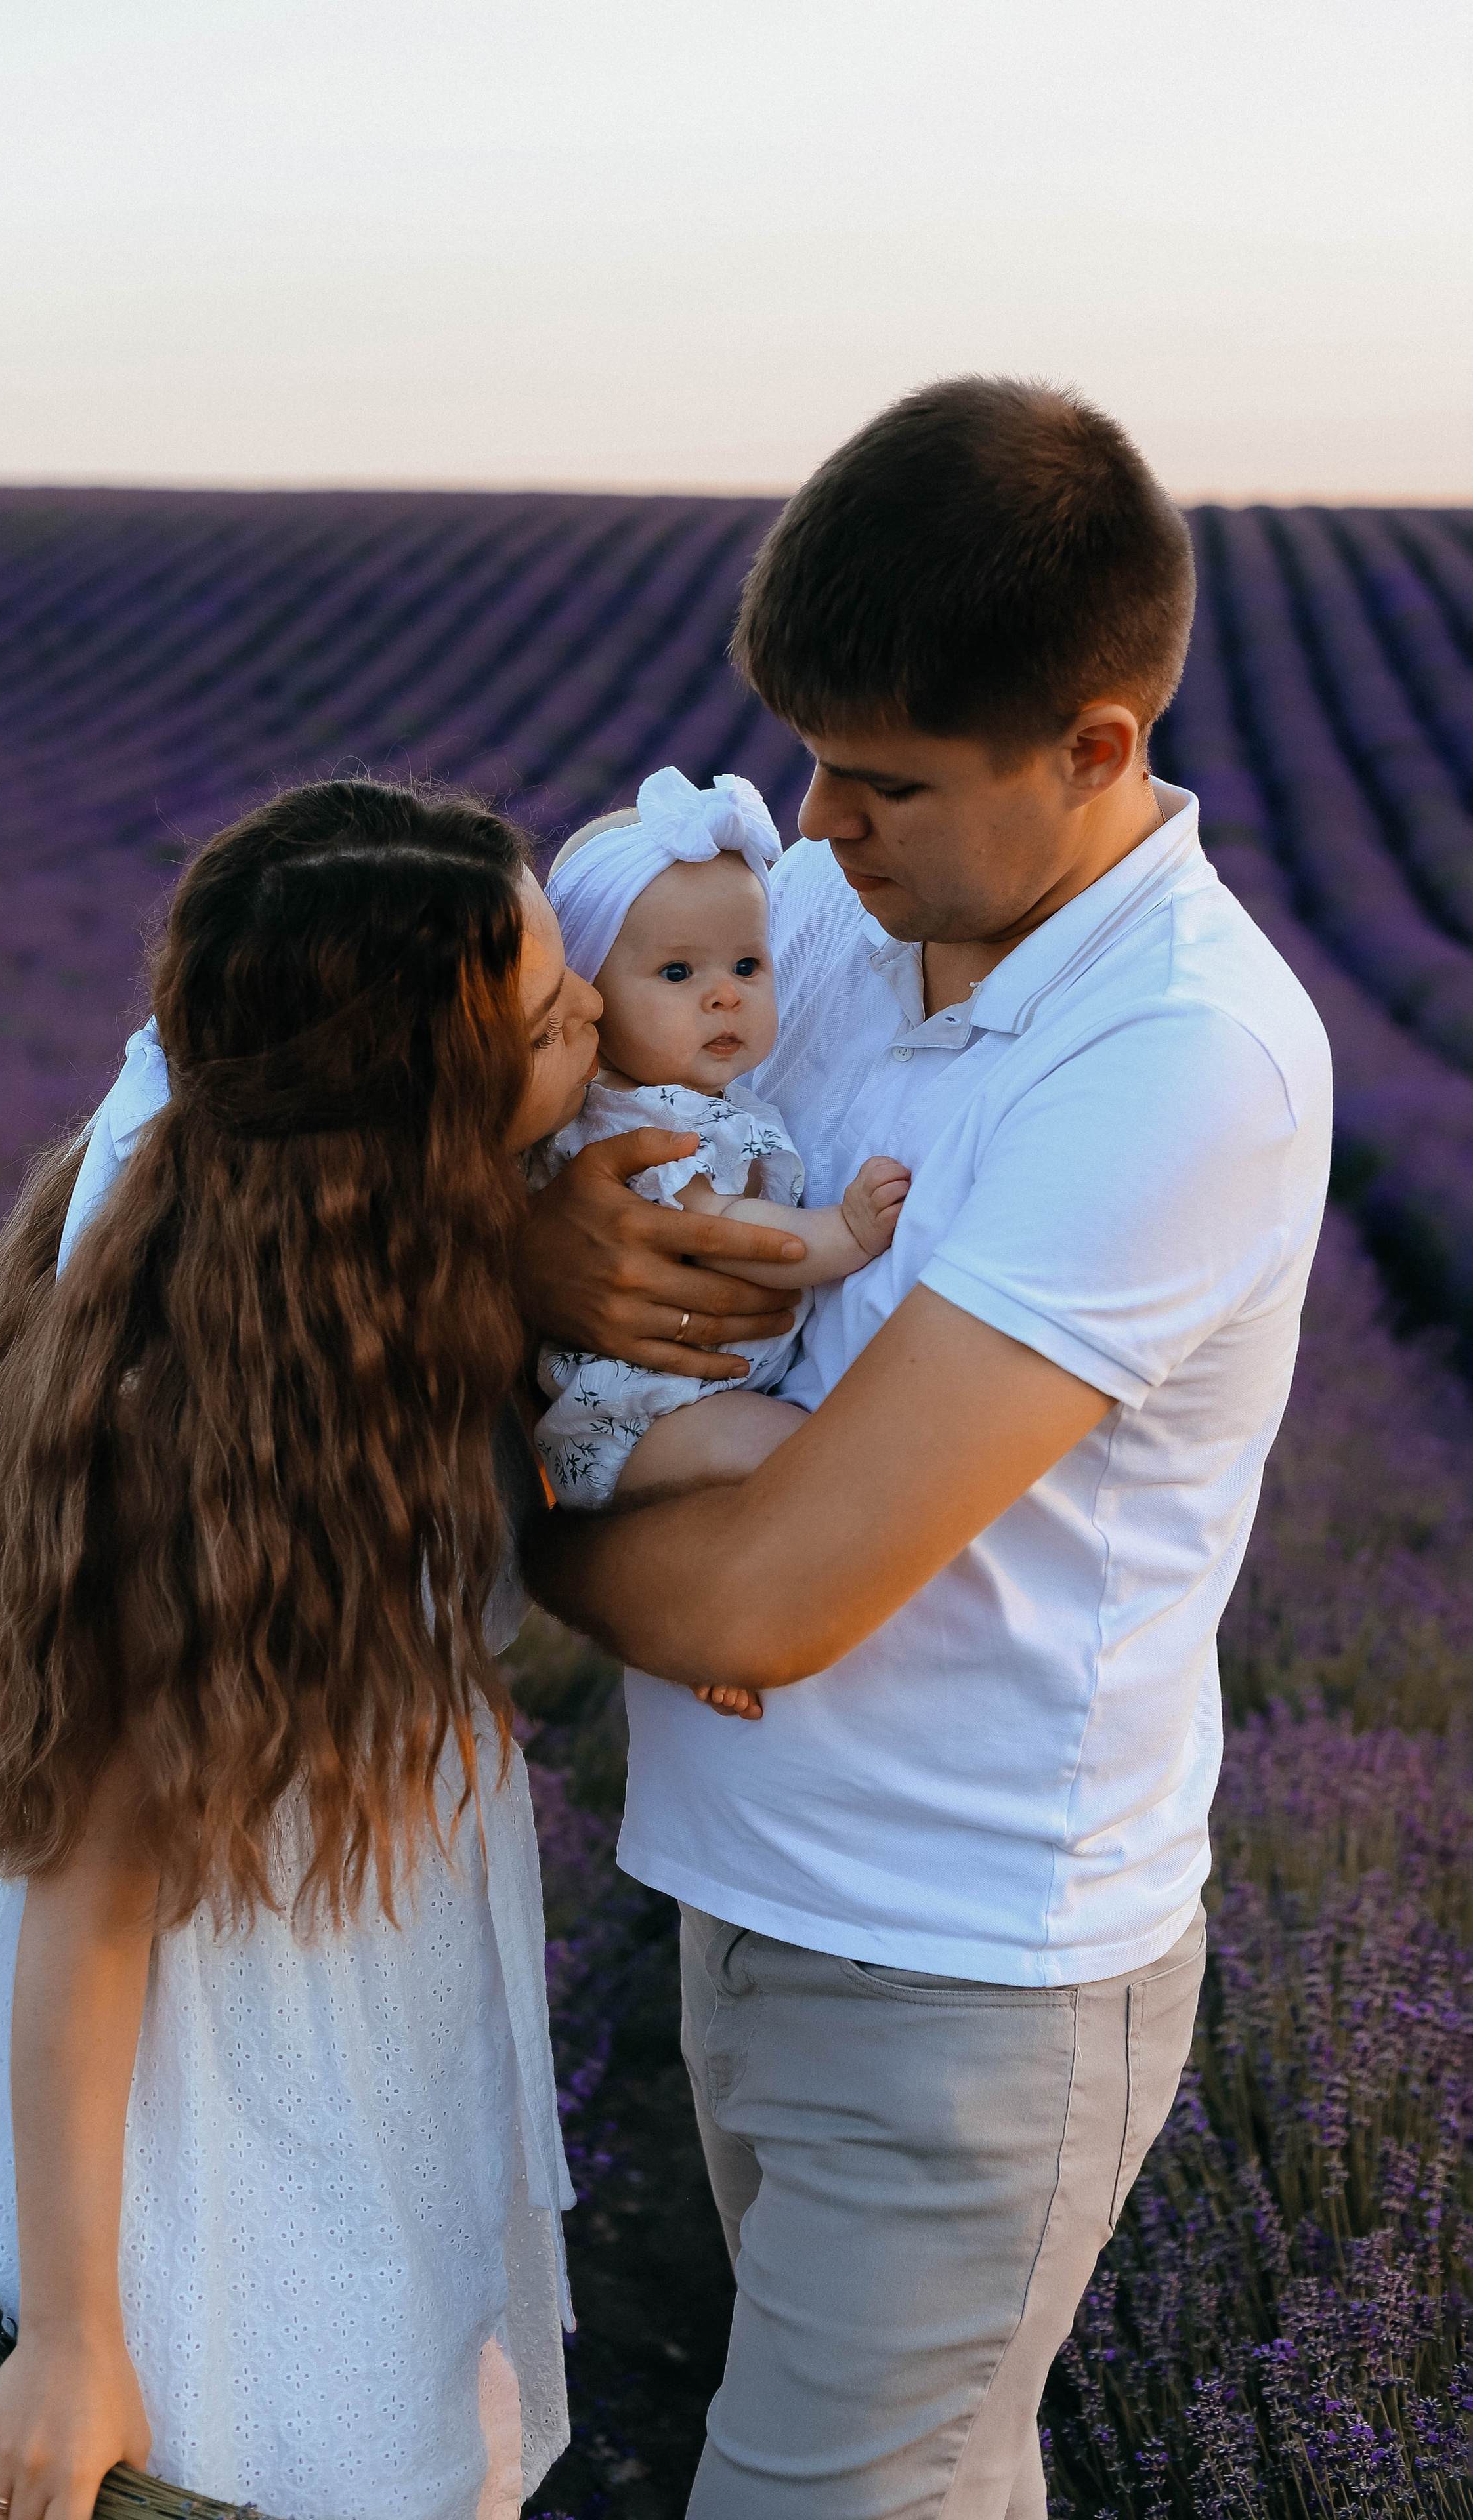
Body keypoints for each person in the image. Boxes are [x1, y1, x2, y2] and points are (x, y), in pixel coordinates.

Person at [519, 377, 1333, 2517]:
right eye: (808, 761)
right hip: (753, 1894)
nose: (818, 825)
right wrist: (547, 1246)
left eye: (883, 783)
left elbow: (776, 1598)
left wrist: (504, 1522)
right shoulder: (848, 916)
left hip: (968, 1978)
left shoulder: (1178, 1062)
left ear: (1094, 749)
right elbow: (557, 1115)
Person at [0, 780, 603, 2520]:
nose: (594, 1007)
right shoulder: (190, 1432)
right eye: (542, 1013)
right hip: (227, 2146)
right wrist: (74, 2340)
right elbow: (84, 1896)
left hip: (354, 2070)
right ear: (418, 1113)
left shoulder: (362, 1321)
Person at [531, 763, 908, 1512]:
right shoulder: (645, 1124)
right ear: (592, 998)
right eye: (677, 972)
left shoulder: (703, 1102)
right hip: (643, 1418)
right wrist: (841, 1233)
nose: (725, 993)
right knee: (805, 1462)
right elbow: (723, 1230)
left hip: (690, 1393)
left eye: (747, 964)